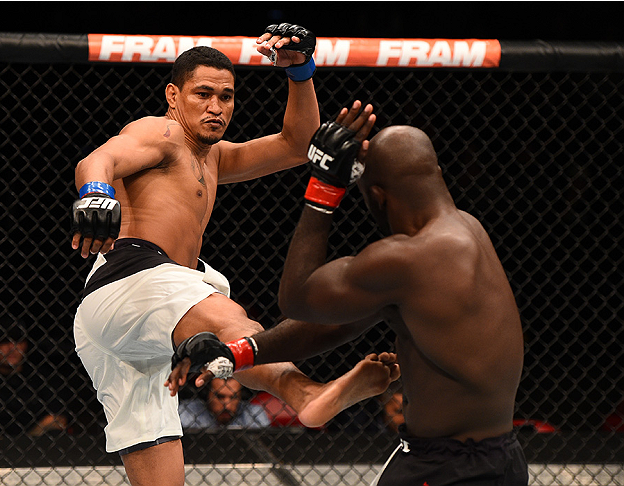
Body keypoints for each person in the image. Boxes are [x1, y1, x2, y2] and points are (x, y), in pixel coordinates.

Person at [70, 23, 395, 486]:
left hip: (121, 326)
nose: (216, 107)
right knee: (233, 319)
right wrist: (96, 193)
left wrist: (299, 73)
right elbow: (98, 158)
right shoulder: (160, 133)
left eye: (226, 97)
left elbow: (295, 145)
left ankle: (278, 381)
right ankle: (304, 393)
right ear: (173, 96)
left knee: (159, 471)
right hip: (134, 281)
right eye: (203, 94)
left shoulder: (213, 157)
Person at [168, 110, 529, 484]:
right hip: (498, 457)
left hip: (446, 466)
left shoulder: (412, 257)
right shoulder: (466, 231)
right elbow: (332, 325)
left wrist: (325, 186)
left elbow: (297, 298)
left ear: (376, 195)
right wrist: (236, 353)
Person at [179, 377, 270, 431]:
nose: (227, 405)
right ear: (207, 394)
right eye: (220, 396)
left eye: (233, 397)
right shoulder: (187, 412)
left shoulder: (254, 414)